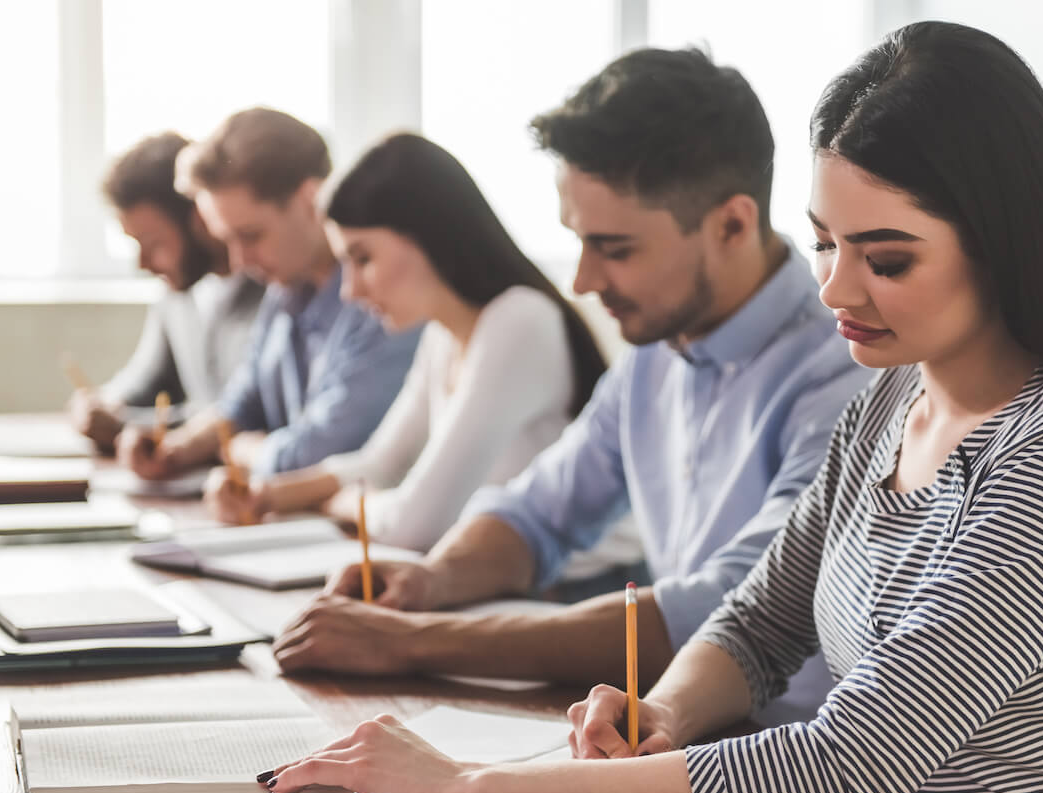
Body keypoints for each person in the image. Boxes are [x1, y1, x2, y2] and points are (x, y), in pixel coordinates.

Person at [261, 23, 1043, 793]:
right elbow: (758, 621)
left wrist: (468, 785)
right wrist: (666, 714)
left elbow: (835, 770)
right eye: (823, 242)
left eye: (884, 258)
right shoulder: (886, 411)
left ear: (1003, 245)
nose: (833, 291)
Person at [270, 47, 870, 726]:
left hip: (791, 766)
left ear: (730, 224)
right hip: (677, 732)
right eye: (578, 242)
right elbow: (540, 511)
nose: (582, 281)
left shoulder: (844, 369)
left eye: (615, 249)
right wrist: (434, 579)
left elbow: (731, 605)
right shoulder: (657, 350)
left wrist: (412, 643)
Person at [206, 133, 608, 554]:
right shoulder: (442, 333)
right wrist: (266, 494)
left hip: (578, 592)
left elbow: (413, 526)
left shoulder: (519, 321)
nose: (350, 291)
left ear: (428, 236)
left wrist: (343, 501)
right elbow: (379, 464)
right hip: (494, 585)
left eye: (363, 259)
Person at [117, 108, 421, 480]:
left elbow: (317, 454)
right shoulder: (285, 291)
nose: (239, 261)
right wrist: (178, 447)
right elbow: (241, 404)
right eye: (226, 239)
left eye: (250, 236)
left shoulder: (381, 299)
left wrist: (237, 447)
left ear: (311, 200)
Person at [69, 132, 263, 454]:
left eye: (153, 243)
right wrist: (105, 404)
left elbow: (245, 413)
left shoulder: (273, 293)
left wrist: (132, 424)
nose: (144, 264)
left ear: (200, 218)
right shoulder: (177, 294)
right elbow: (145, 380)